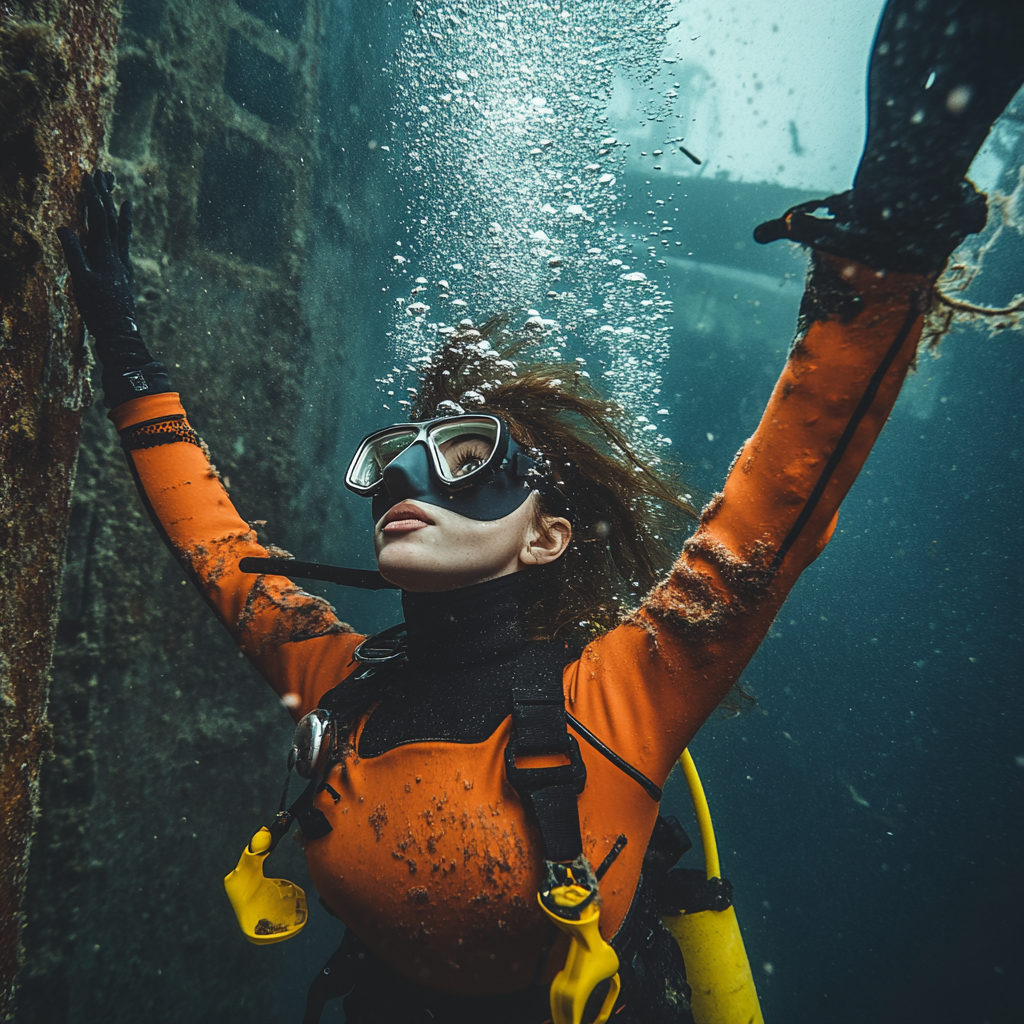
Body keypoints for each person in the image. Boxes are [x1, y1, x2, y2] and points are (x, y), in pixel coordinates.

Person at [56, 2, 1023, 1021]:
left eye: (464, 460)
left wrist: (889, 244)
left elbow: (776, 502)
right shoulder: (335, 682)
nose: (403, 484)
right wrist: (127, 355)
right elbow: (215, 544)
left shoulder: (624, 698)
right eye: (390, 462)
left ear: (547, 533)